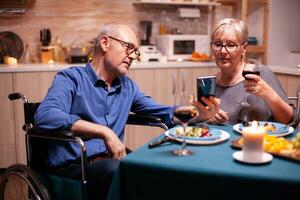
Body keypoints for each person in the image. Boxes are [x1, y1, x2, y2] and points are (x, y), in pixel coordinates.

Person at [34, 22, 219, 199]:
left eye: (136, 51)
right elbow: (45, 115)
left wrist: (197, 112)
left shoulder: (127, 86)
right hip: (74, 167)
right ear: (105, 43)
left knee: (157, 167)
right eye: (128, 47)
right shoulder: (71, 78)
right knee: (117, 170)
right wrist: (104, 132)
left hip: (111, 163)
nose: (133, 56)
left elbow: (162, 112)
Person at [207, 18, 295, 125]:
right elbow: (198, 121)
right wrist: (206, 116)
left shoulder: (259, 73)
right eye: (218, 44)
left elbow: (291, 120)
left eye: (231, 45)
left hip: (261, 141)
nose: (223, 51)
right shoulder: (210, 83)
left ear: (244, 48)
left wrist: (268, 94)